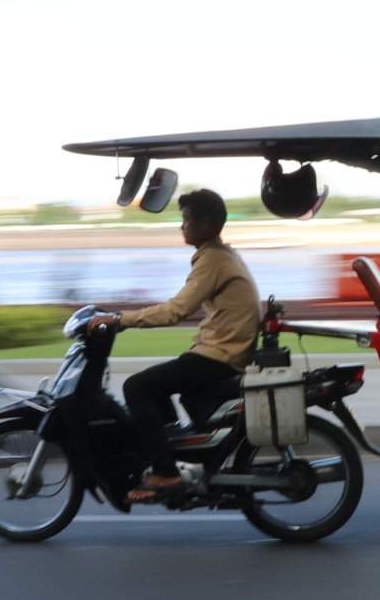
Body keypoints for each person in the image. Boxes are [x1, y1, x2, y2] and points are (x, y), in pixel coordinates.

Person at [87, 189, 260, 503]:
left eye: (186, 219)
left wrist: (119, 319)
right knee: (157, 386)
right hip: (220, 350)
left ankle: (165, 471)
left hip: (219, 355)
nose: (182, 226)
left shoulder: (213, 259)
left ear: (205, 224)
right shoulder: (222, 253)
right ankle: (172, 457)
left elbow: (175, 310)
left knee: (138, 387)